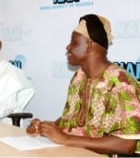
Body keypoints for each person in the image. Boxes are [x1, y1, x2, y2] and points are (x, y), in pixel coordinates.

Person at [26, 14, 140, 156]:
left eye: (74, 42)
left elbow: (127, 145)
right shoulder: (79, 77)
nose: (68, 47)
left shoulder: (121, 83)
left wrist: (66, 139)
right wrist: (46, 128)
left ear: (90, 46)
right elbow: (72, 121)